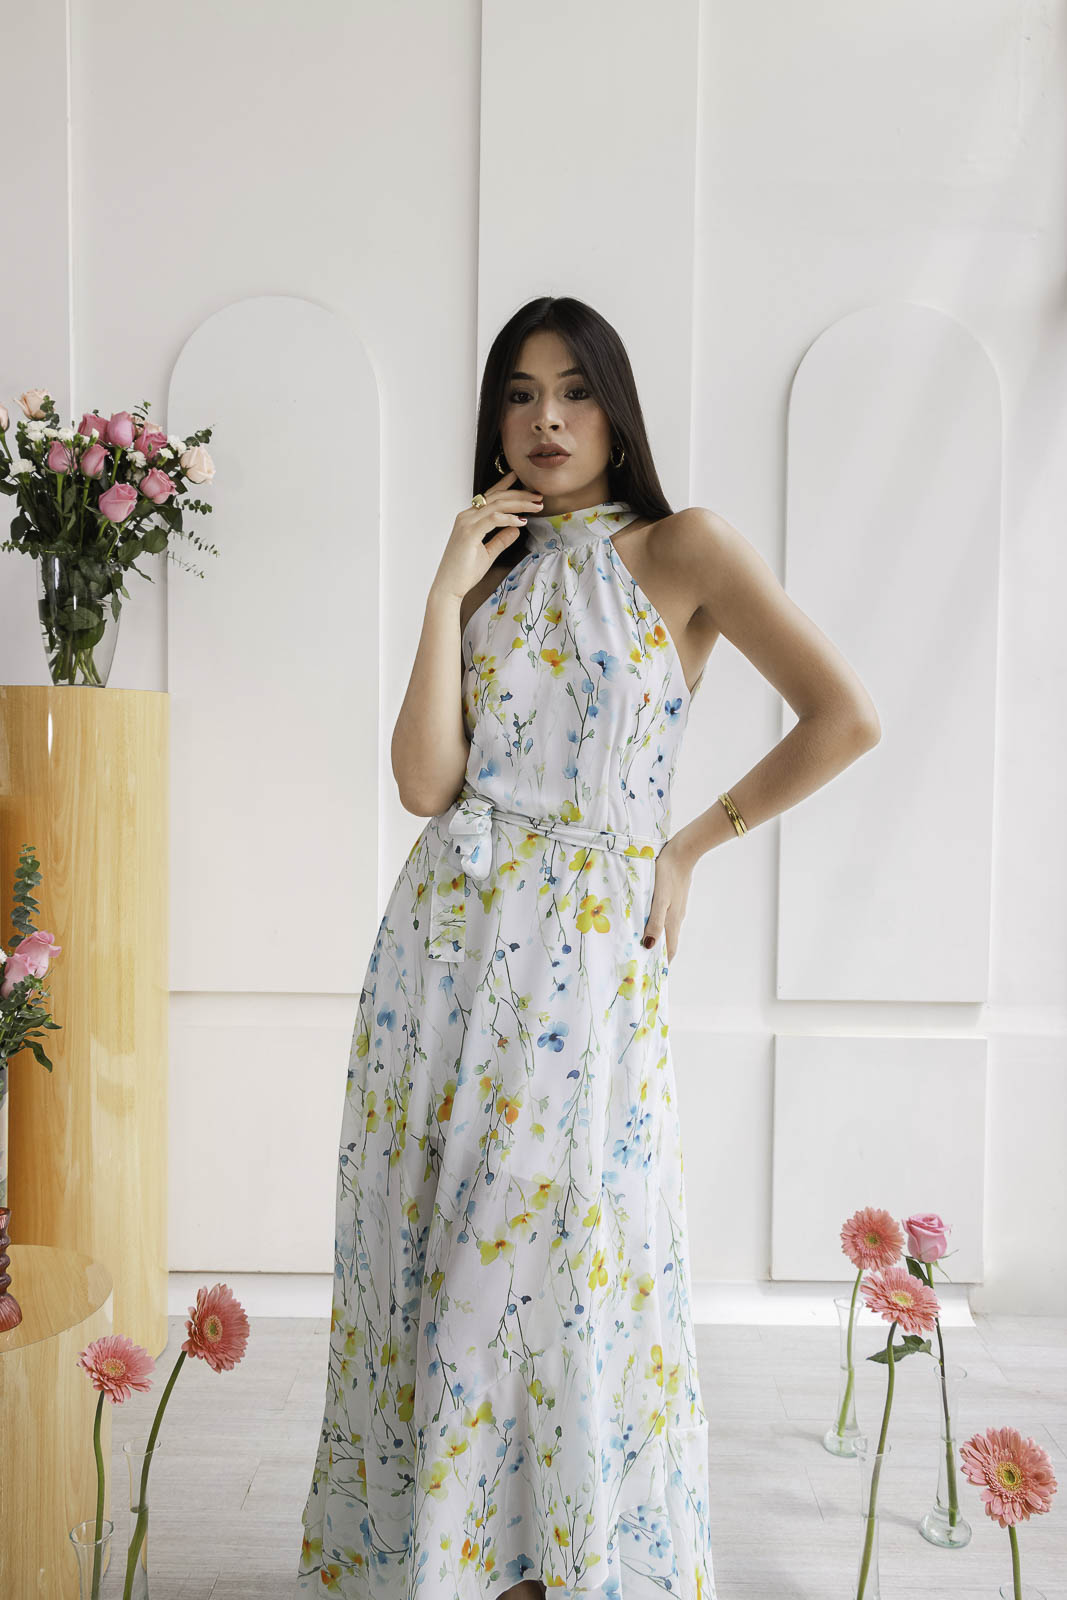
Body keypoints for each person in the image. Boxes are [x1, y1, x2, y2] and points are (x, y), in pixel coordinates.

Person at [296, 296, 881, 1600]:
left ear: (616, 409)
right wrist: (445, 589)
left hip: (581, 963)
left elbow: (844, 717)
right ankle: (463, 1567)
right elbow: (423, 783)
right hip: (443, 953)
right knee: (434, 1253)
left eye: (573, 391)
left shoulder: (684, 548)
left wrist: (690, 848)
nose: (547, 419)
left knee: (552, 1257)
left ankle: (557, 1564)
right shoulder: (490, 566)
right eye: (520, 394)